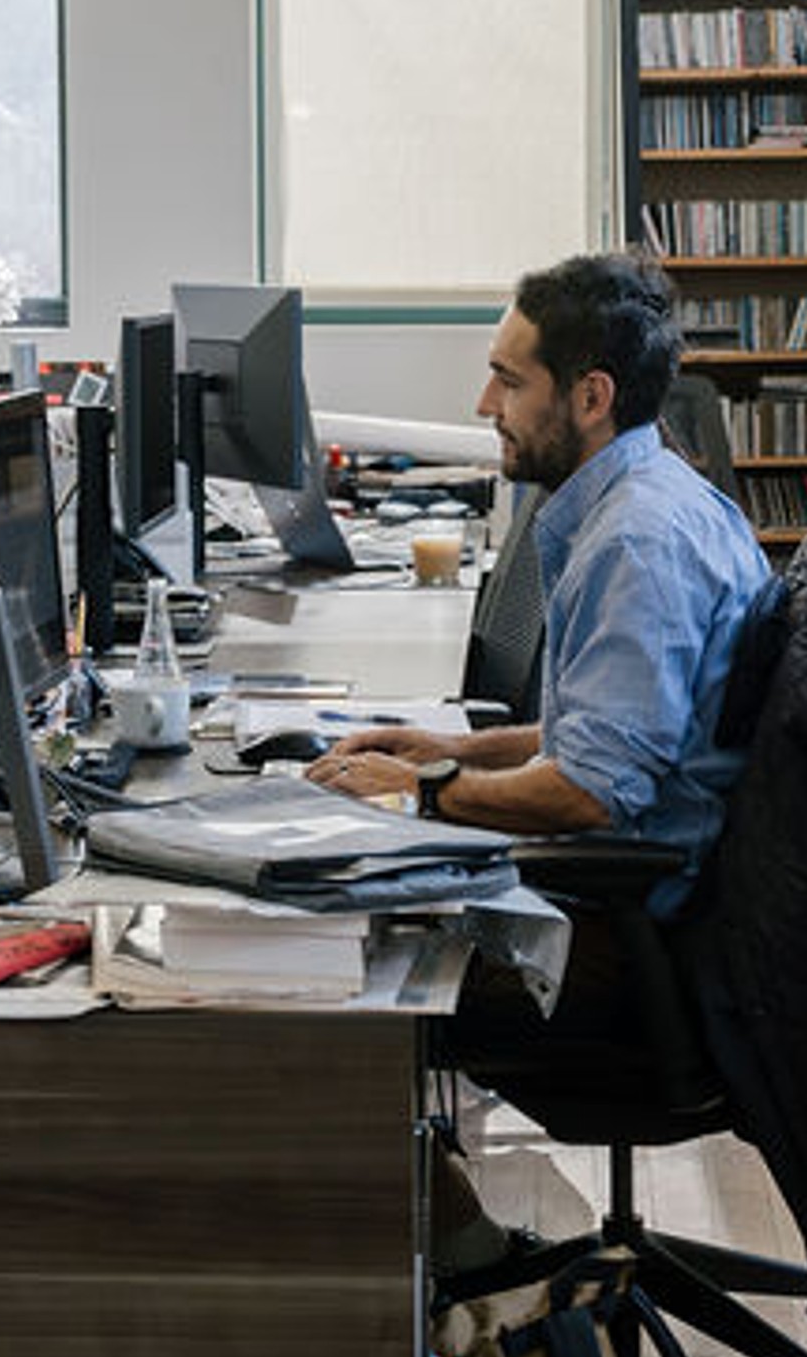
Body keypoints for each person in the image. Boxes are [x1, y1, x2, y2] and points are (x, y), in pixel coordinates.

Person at [307, 250, 769, 889]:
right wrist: (450, 752)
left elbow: (593, 793)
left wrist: (424, 789)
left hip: (616, 909)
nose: (484, 403)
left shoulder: (638, 545)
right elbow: (601, 735)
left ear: (591, 397)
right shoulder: (651, 491)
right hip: (612, 869)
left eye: (510, 381)